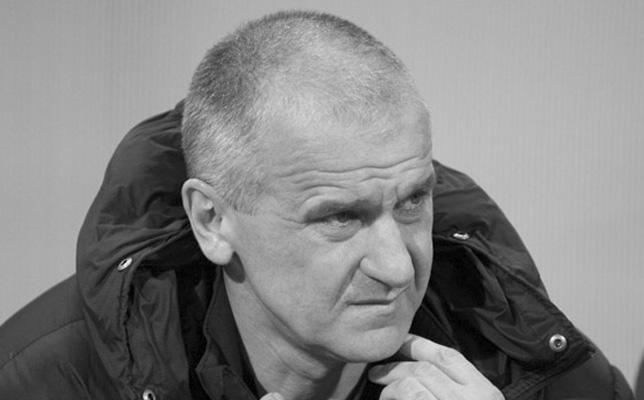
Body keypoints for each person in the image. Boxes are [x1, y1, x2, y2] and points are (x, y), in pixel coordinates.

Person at [0, 10, 634, 400]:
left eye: (412, 202)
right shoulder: (40, 380)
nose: (397, 266)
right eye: (340, 217)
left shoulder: (537, 368)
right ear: (212, 221)